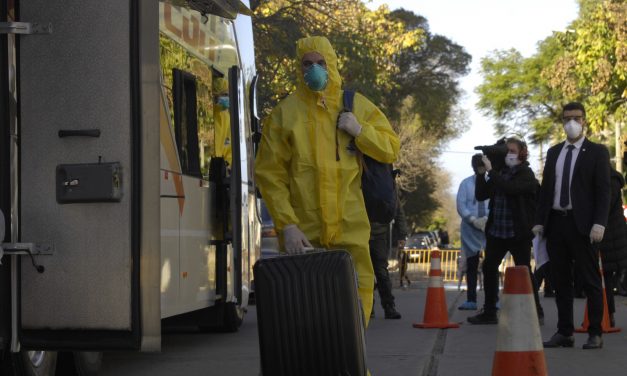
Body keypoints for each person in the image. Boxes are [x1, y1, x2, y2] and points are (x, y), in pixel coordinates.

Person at [254, 36, 400, 326]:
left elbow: (390, 147)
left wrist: (360, 131)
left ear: (331, 64)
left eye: (321, 63)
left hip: (350, 228)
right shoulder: (285, 113)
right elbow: (270, 175)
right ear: (298, 68)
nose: (315, 70)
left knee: (355, 305)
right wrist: (288, 225)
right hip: (304, 235)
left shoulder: (355, 105)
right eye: (307, 64)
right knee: (306, 312)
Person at [535, 102, 610, 350]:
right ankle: (564, 332)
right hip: (556, 224)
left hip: (584, 226)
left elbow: (603, 192)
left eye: (576, 118)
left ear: (584, 121)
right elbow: (546, 190)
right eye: (567, 118)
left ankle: (595, 332)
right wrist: (539, 221)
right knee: (560, 281)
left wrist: (599, 222)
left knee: (589, 280)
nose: (571, 123)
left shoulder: (597, 152)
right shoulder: (554, 152)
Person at [467, 137, 544, 325]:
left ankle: (537, 311)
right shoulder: (499, 172)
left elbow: (510, 188)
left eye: (512, 151)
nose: (508, 154)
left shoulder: (526, 174)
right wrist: (480, 172)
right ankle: (490, 311)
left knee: (524, 270)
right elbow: (481, 194)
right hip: (497, 231)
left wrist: (491, 171)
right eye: (506, 151)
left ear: (522, 153)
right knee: (489, 267)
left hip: (517, 232)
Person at [456, 153, 489, 310]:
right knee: (471, 265)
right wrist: (473, 220)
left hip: (489, 227)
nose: (481, 170)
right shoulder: (466, 184)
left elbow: (496, 202)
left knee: (491, 265)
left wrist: (488, 218)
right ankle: (471, 300)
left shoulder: (492, 182)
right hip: (470, 228)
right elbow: (461, 205)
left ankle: (492, 300)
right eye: (478, 168)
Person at [369, 185, 406, 319]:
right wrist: (402, 234)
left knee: (367, 272)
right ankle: (387, 307)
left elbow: (397, 208)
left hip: (362, 232)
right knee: (380, 272)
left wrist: (401, 234)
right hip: (378, 233)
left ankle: (371, 307)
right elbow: (398, 210)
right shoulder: (384, 179)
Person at [598, 167, 627, 328]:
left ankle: (607, 315)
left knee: (605, 277)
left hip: (610, 236)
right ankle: (606, 315)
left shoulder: (610, 181)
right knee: (606, 278)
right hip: (610, 235)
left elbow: (605, 205)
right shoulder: (611, 178)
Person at [212, 77, 232, 166]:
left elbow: (228, 143)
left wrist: (227, 164)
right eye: (225, 94)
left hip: (218, 169)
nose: (228, 98)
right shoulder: (208, 113)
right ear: (216, 95)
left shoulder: (226, 116)